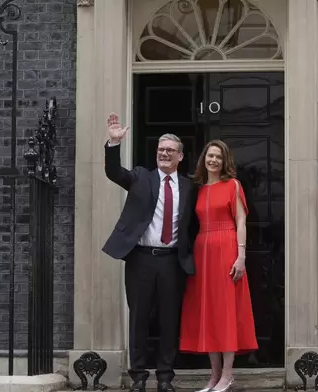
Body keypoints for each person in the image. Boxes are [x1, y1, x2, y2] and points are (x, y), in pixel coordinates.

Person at [102, 113, 195, 392]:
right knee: (139, 318)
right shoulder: (141, 177)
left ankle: (165, 376)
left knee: (169, 320)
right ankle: (139, 377)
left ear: (180, 156)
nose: (164, 154)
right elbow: (113, 172)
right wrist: (113, 143)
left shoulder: (191, 187)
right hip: (141, 258)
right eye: (160, 150)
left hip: (172, 262)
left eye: (170, 150)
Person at [179, 140, 258, 392]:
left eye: (218, 157)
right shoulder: (199, 189)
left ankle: (227, 374)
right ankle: (213, 376)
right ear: (204, 159)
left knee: (225, 310)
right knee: (208, 311)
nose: (213, 160)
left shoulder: (233, 185)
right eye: (210, 156)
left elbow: (241, 222)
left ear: (225, 162)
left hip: (227, 247)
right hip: (204, 249)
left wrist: (241, 256)